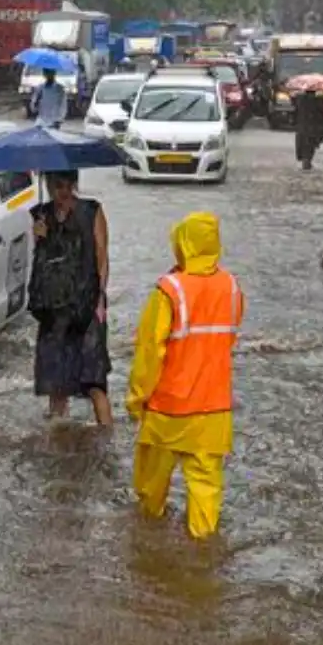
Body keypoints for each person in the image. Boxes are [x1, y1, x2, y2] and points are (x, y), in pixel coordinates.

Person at [128, 212, 244, 539]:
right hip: (213, 410)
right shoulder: (232, 287)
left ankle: (149, 548)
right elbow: (227, 339)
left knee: (151, 491)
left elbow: (150, 352)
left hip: (169, 409)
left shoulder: (169, 290)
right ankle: (203, 556)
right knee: (207, 491)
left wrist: (137, 398)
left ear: (182, 243)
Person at [29, 170, 113, 426]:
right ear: (48, 185)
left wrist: (99, 298)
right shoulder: (41, 215)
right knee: (56, 383)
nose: (61, 192)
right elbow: (43, 264)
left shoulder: (92, 211)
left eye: (66, 186)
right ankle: (58, 439)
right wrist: (39, 237)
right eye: (55, 186)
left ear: (74, 184)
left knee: (94, 379)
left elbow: (102, 255)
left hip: (86, 305)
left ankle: (106, 439)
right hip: (54, 309)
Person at [293, 88, 323, 170]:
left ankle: (305, 161)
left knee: (303, 143)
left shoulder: (300, 100)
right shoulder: (318, 100)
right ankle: (307, 161)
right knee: (311, 144)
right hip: (313, 126)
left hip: (302, 126)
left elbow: (295, 111)